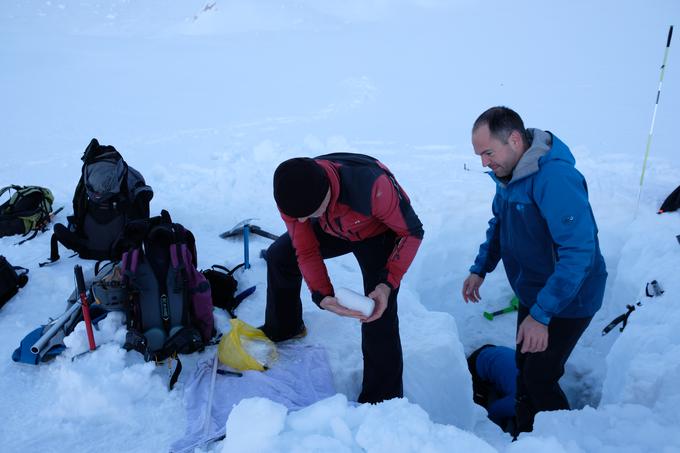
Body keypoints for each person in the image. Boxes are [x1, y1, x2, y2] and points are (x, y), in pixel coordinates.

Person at [461, 106, 607, 435]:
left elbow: (578, 252)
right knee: (525, 369)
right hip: (535, 291)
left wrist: (542, 315)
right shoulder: (508, 175)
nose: (484, 162)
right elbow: (501, 224)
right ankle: (527, 433)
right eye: (479, 154)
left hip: (571, 296)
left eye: (488, 152)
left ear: (514, 140)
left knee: (540, 376)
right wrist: (481, 267)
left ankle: (562, 438)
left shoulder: (554, 179)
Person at [261, 153, 424, 404]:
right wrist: (322, 294)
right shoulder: (292, 190)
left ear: (326, 192)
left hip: (377, 230)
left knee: (378, 312)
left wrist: (387, 283)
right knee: (279, 256)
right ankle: (285, 327)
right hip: (332, 225)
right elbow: (305, 249)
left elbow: (411, 232)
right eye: (298, 217)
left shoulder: (373, 186)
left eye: (308, 214)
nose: (302, 221)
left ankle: (382, 401)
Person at [467, 344, 517, 433]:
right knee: (479, 409)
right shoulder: (517, 401)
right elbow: (492, 412)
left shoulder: (540, 381)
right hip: (477, 363)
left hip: (496, 352)